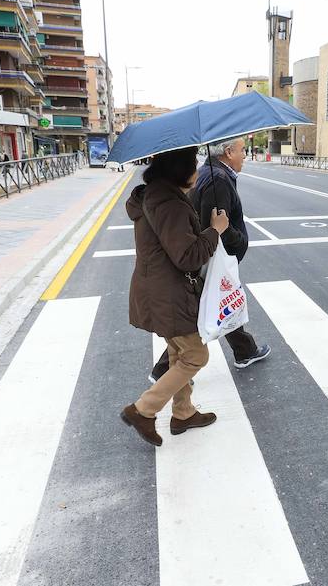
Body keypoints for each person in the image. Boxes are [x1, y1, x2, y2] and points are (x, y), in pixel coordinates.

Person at [121, 147, 229, 446]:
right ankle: (143, 410)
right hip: (169, 293)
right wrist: (214, 231)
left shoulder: (153, 195)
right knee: (195, 355)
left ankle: (183, 412)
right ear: (178, 170)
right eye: (193, 163)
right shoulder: (170, 204)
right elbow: (188, 257)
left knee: (177, 353)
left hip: (156, 288)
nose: (197, 169)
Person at [149, 137, 270, 383]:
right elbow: (216, 223)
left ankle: (244, 350)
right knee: (206, 306)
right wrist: (239, 242)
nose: (245, 155)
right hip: (214, 255)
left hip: (210, 254)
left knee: (221, 301)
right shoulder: (218, 179)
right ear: (228, 152)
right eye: (242, 150)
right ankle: (163, 370)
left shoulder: (211, 173)